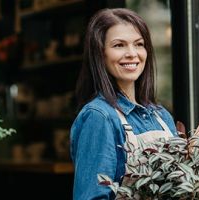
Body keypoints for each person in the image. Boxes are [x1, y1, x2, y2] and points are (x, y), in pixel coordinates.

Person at [70, 8, 178, 199]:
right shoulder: (99, 117)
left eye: (139, 44)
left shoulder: (161, 116)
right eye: (119, 45)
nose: (132, 53)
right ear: (100, 54)